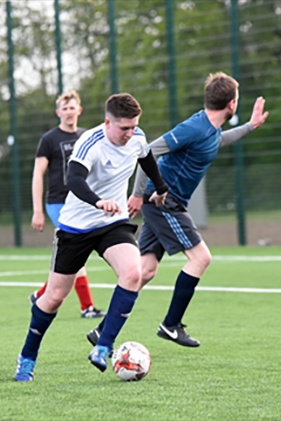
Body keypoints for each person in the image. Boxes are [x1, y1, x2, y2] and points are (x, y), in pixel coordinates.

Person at [87, 72, 269, 348]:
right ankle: (171, 325)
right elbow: (148, 150)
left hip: (166, 202)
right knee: (201, 259)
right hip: (163, 201)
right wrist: (137, 194)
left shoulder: (210, 129)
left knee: (145, 271)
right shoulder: (195, 127)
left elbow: (217, 141)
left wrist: (250, 126)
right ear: (232, 104)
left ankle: (103, 331)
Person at [14, 93, 169, 382]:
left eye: (134, 126)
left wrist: (160, 187)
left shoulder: (136, 137)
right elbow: (72, 180)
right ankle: (27, 357)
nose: (130, 133)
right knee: (54, 297)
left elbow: (146, 157)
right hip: (75, 226)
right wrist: (98, 201)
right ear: (108, 122)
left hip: (113, 222)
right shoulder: (91, 142)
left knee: (133, 273)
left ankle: (103, 346)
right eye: (124, 128)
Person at [30, 90, 105, 319]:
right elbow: (37, 174)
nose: (69, 112)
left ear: (79, 110)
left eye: (72, 108)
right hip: (58, 204)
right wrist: (37, 210)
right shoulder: (49, 140)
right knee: (76, 251)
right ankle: (87, 307)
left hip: (82, 202)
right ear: (58, 112)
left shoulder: (86, 137)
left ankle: (41, 294)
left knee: (74, 255)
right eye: (65, 108)